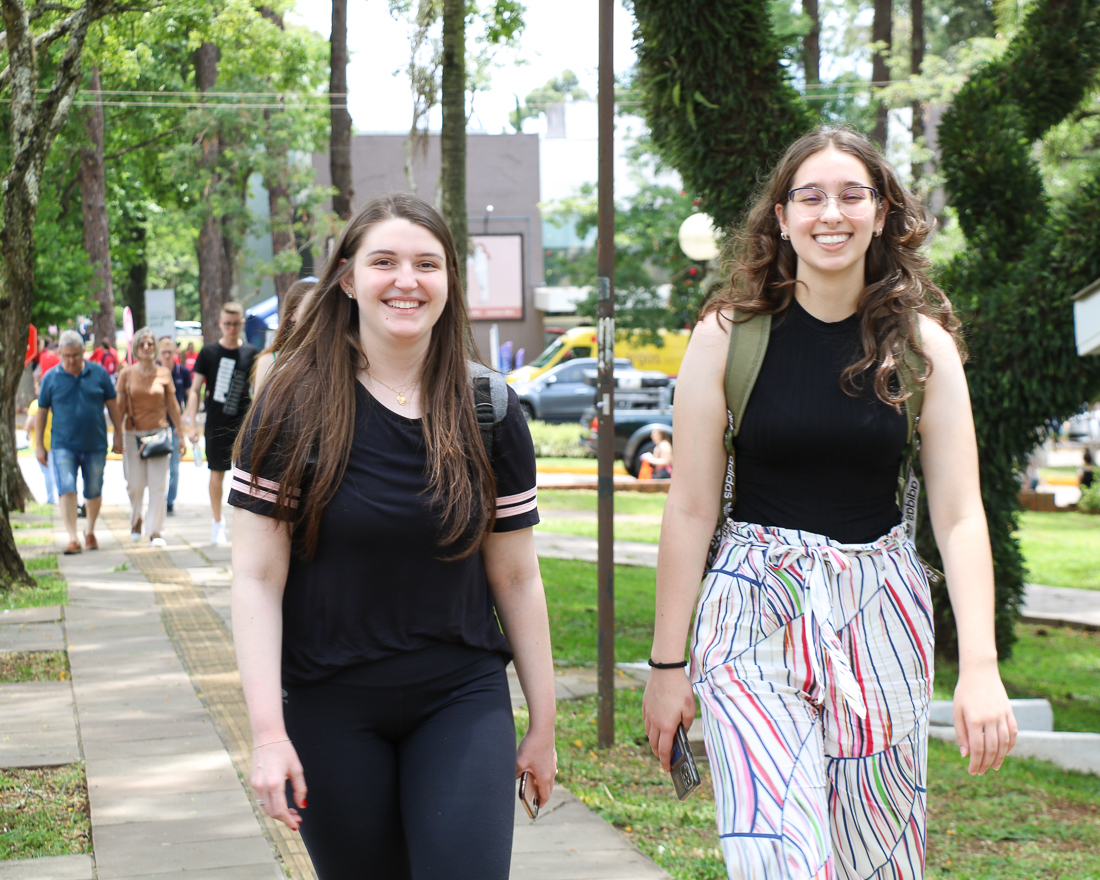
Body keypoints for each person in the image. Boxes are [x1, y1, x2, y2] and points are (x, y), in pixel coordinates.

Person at [642, 128, 1018, 880]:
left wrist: (978, 665)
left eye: (852, 195)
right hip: (752, 614)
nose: (830, 213)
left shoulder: (923, 345)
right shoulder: (726, 336)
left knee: (873, 862)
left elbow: (958, 514)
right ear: (780, 217)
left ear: (882, 214)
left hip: (881, 614)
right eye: (809, 196)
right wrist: (666, 663)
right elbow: (688, 510)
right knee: (780, 859)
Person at [228, 193, 556, 879]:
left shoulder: (489, 408)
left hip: (460, 699)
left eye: (426, 264)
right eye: (384, 262)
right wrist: (267, 736)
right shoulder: (289, 406)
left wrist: (543, 726)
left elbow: (518, 578)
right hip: (329, 703)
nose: (406, 280)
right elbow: (257, 579)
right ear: (348, 279)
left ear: (449, 281)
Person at [36, 330, 123, 554]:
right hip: (63, 444)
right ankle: (73, 537)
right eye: (66, 356)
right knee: (66, 488)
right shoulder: (51, 378)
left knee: (93, 489)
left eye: (75, 355)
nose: (71, 360)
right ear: (60, 354)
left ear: (83, 352)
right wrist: (39, 445)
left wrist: (119, 434)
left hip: (95, 442)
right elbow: (42, 412)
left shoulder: (99, 374)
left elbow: (113, 405)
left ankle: (90, 530)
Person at [184, 303, 259, 545]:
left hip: (244, 425)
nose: (231, 328)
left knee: (248, 476)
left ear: (242, 324)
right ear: (220, 324)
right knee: (217, 474)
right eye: (227, 324)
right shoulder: (208, 353)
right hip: (216, 424)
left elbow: (258, 390)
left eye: (235, 324)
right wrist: (192, 424)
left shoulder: (251, 353)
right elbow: (195, 390)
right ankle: (218, 522)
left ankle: (247, 526)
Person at [117, 328, 186, 546]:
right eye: (142, 344)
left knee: (158, 486)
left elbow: (173, 406)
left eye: (150, 344)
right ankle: (136, 519)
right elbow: (118, 408)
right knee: (135, 485)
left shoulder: (164, 373)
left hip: (159, 433)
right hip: (132, 434)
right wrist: (116, 436)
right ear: (136, 348)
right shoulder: (126, 374)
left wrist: (181, 434)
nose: (146, 348)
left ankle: (156, 530)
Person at [252, 277, 317, 392]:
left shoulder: (336, 358)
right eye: (310, 307)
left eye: (322, 307)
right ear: (292, 313)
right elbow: (260, 409)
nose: (317, 313)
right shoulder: (269, 361)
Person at [158, 336, 191, 514]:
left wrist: (183, 421)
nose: (167, 356)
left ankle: (170, 501)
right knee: (157, 465)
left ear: (175, 353)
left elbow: (189, 398)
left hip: (175, 425)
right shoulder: (154, 370)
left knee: (175, 467)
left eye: (170, 352)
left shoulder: (182, 372)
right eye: (163, 353)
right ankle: (158, 500)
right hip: (158, 425)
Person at [24, 379, 58, 504]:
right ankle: (57, 497)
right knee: (54, 471)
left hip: (41, 442)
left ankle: (51, 498)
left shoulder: (36, 404)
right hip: (54, 441)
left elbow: (30, 423)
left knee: (47, 472)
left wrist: (27, 432)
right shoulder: (54, 403)